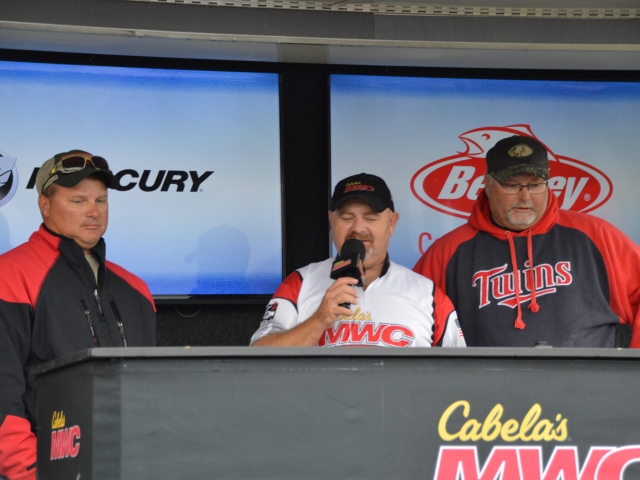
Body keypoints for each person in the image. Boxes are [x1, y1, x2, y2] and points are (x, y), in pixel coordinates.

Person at [0, 150, 159, 480]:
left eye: (101, 200)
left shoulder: (137, 290)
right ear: (45, 205)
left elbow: (153, 393)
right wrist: (33, 474)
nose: (93, 212)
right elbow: (3, 399)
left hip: (132, 467)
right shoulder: (10, 275)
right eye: (78, 201)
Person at [413, 135, 640, 348]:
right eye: (512, 185)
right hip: (484, 378)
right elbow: (410, 313)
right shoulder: (449, 251)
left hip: (585, 378)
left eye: (535, 185)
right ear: (488, 184)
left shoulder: (595, 236)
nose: (525, 196)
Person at [251, 173, 465, 348]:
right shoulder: (301, 282)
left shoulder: (428, 294)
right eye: (347, 218)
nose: (358, 228)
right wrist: (319, 320)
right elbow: (257, 358)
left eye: (370, 218)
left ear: (391, 223)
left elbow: (460, 374)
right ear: (331, 221)